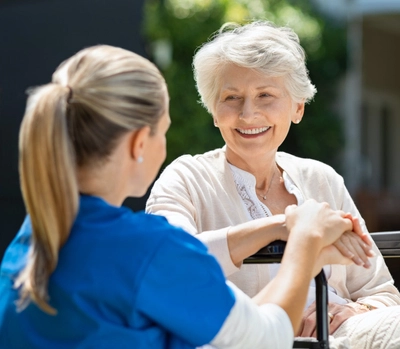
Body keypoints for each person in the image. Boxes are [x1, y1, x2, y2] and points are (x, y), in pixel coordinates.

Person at [0, 45, 368, 349]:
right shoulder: (148, 249)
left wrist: (276, 227)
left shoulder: (32, 239)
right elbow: (267, 337)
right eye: (164, 131)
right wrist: (304, 239)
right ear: (138, 143)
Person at [146, 20, 400, 343]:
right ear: (213, 110)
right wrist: (286, 226)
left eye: (265, 95)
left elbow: (381, 292)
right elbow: (169, 266)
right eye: (231, 98)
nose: (248, 114)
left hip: (347, 334)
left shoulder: (322, 180)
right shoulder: (185, 179)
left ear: (297, 107)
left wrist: (353, 312)